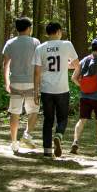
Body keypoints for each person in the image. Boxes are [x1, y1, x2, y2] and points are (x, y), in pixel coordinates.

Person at [33, 22, 79, 158]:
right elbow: (77, 65)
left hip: (46, 89)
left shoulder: (40, 48)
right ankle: (58, 135)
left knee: (48, 120)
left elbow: (37, 72)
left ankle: (47, 151)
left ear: (47, 33)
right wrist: (65, 65)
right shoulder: (67, 44)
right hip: (62, 89)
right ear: (59, 31)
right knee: (62, 118)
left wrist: (35, 91)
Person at [2, 17, 40, 154]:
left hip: (15, 82)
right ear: (29, 28)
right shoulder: (35, 42)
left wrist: (7, 81)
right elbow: (38, 64)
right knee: (34, 111)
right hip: (31, 82)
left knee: (14, 112)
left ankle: (14, 143)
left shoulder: (10, 43)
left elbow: (6, 65)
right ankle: (26, 135)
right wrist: (39, 83)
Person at [71, 38, 97, 153]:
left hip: (84, 96)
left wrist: (83, 86)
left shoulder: (84, 60)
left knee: (82, 120)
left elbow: (73, 78)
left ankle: (75, 142)